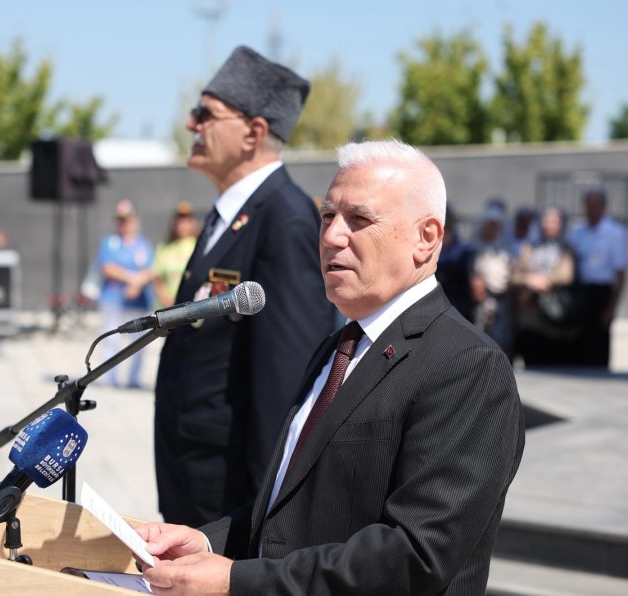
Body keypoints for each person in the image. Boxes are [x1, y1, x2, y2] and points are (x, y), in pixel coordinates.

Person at [135, 139, 525, 595]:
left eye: (359, 219)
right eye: (327, 216)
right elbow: (291, 511)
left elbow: (414, 557)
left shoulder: (467, 367)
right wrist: (206, 542)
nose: (332, 236)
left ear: (426, 239)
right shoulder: (338, 348)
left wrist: (236, 581)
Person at [154, 45, 335, 527]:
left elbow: (285, 380)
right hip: (193, 475)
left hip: (229, 492)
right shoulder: (227, 215)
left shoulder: (285, 220)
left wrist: (263, 517)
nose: (191, 125)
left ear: (253, 132)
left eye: (204, 114)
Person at [95, 199, 155, 388]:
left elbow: (151, 270)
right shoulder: (110, 242)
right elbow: (107, 267)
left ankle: (133, 379)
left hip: (137, 301)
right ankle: (109, 378)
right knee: (111, 340)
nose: (124, 223)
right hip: (113, 299)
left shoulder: (143, 245)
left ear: (135, 219)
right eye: (120, 219)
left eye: (127, 219)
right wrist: (132, 279)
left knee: (138, 342)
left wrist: (137, 282)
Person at [567, 187, 628, 368]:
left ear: (603, 207)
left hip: (602, 293)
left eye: (595, 206)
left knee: (599, 347)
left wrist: (611, 308)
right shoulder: (577, 231)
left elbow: (621, 273)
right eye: (588, 206)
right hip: (581, 293)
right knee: (578, 346)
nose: (591, 210)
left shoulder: (615, 232)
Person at [511, 206, 579, 367]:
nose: (550, 225)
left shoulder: (566, 249)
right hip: (531, 317)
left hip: (554, 317)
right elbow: (515, 274)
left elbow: (567, 275)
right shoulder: (530, 247)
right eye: (547, 220)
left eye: (554, 221)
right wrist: (529, 279)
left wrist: (544, 279)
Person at [470, 202, 515, 359]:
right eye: (490, 224)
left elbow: (510, 272)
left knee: (501, 335)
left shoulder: (505, 248)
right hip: (481, 298)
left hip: (502, 298)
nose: (492, 229)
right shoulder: (474, 247)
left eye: (496, 225)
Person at [151, 201, 199, 308]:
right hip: (165, 307)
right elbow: (157, 277)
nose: (183, 225)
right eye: (180, 220)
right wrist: (166, 300)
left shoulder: (198, 245)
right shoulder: (165, 247)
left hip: (190, 306)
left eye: (186, 220)